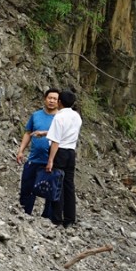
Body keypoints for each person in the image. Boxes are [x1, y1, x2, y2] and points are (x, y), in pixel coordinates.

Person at [15, 88, 59, 215]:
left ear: (58, 102)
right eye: (50, 98)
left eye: (55, 99)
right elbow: (28, 133)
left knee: (50, 192)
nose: (51, 101)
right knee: (27, 188)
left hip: (52, 161)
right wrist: (21, 150)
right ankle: (24, 213)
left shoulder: (60, 118)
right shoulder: (36, 115)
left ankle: (47, 220)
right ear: (45, 99)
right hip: (34, 158)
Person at [44, 89, 82, 227]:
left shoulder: (59, 117)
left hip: (59, 152)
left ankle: (56, 218)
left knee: (57, 184)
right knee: (69, 185)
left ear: (59, 102)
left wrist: (50, 160)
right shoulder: (77, 116)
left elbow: (56, 140)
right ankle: (70, 218)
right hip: (71, 152)